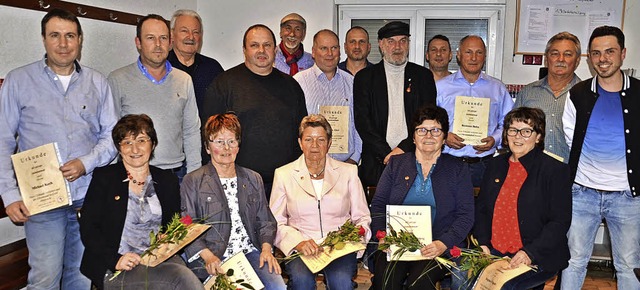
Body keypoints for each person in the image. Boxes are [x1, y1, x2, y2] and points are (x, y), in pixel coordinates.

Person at [0, 8, 118, 289]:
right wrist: (9, 193)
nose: (63, 44)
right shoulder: (19, 81)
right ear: (43, 39)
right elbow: (3, 140)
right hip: (41, 202)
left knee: (80, 278)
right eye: (55, 35)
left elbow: (112, 137)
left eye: (70, 36)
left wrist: (85, 163)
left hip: (87, 199)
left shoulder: (97, 82)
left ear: (80, 40)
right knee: (44, 280)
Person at [79, 114, 202, 290]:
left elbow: (172, 224)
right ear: (119, 148)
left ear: (153, 144)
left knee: (184, 272)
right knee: (181, 279)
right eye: (127, 142)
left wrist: (167, 237)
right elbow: (89, 228)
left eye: (141, 140)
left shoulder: (167, 180)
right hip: (118, 266)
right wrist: (115, 260)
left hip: (157, 259)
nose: (135, 149)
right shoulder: (105, 178)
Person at [561, 26, 640, 290]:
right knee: (573, 262)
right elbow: (571, 137)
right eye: (596, 53)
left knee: (628, 265)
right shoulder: (578, 94)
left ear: (623, 54)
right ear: (589, 57)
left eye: (609, 51)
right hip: (582, 194)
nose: (602, 58)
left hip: (627, 197)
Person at [369, 105, 474, 290]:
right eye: (422, 130)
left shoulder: (457, 169)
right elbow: (378, 205)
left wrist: (443, 243)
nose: (428, 136)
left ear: (444, 137)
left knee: (418, 283)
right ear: (413, 136)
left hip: (436, 245)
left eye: (435, 130)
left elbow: (466, 215)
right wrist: (382, 236)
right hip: (396, 244)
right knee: (386, 280)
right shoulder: (396, 164)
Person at [201, 24, 307, 199]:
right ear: (244, 50)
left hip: (284, 184)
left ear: (275, 49)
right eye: (254, 45)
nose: (261, 50)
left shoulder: (292, 86)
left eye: (267, 45)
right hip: (238, 182)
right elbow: (208, 135)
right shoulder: (224, 84)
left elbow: (302, 133)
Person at [180, 113, 286, 289]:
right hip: (213, 255)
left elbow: (265, 221)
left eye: (232, 141)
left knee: (278, 287)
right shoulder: (193, 181)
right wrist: (208, 257)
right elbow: (188, 226)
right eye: (219, 142)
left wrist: (267, 249)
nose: (226, 148)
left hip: (249, 251)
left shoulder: (253, 178)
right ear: (207, 147)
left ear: (238, 145)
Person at [473, 107, 571, 290]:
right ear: (506, 134)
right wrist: (483, 243)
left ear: (538, 136)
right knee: (464, 281)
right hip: (495, 251)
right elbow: (483, 209)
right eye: (513, 130)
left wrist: (529, 253)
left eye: (526, 131)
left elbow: (559, 222)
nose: (518, 137)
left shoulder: (555, 170)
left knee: (506, 287)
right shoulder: (495, 165)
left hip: (535, 254)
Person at [270, 114, 371, 290]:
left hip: (339, 247)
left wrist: (352, 241)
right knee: (302, 282)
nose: (314, 145)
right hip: (301, 246)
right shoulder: (284, 174)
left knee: (341, 283)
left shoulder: (348, 172)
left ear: (329, 143)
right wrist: (297, 242)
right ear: (300, 143)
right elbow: (275, 221)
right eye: (308, 139)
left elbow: (362, 217)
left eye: (321, 139)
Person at [109, 14, 201, 180]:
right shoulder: (118, 79)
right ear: (138, 43)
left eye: (163, 38)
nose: (158, 45)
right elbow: (110, 132)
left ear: (170, 43)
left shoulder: (184, 80)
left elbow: (191, 131)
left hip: (176, 175)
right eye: (150, 38)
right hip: (133, 175)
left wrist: (194, 175)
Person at [354, 21, 437, 189]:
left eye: (403, 40)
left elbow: (427, 119)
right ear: (381, 44)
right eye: (391, 41)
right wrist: (387, 154)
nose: (397, 46)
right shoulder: (365, 78)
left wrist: (403, 150)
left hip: (416, 159)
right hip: (377, 163)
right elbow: (363, 121)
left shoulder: (423, 77)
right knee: (377, 214)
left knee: (412, 213)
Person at [436, 35, 513, 187]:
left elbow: (509, 122)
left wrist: (495, 139)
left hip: (485, 165)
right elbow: (430, 122)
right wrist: (444, 137)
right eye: (468, 52)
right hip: (448, 163)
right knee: (447, 210)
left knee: (483, 210)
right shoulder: (441, 87)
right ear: (458, 55)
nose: (473, 58)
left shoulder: (497, 88)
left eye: (479, 52)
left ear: (485, 56)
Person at [294, 29, 362, 164]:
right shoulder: (298, 82)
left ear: (340, 51)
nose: (330, 54)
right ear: (313, 52)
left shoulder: (353, 82)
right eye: (324, 48)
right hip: (308, 165)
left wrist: (354, 158)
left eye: (334, 48)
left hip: (346, 165)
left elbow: (359, 124)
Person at [515, 32, 581, 163]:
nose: (560, 59)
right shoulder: (528, 93)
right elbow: (513, 132)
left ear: (577, 60)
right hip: (530, 170)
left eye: (568, 54)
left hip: (569, 173)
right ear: (546, 59)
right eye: (555, 53)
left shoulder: (586, 95)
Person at [168, 9, 224, 115]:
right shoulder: (162, 67)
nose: (190, 37)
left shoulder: (213, 68)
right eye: (184, 31)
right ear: (172, 34)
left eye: (196, 32)